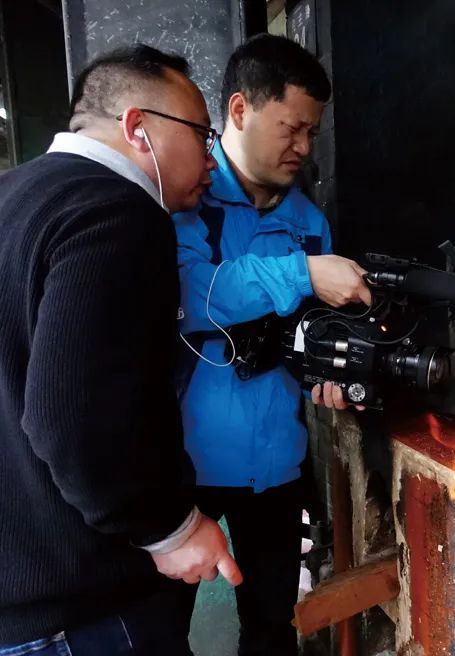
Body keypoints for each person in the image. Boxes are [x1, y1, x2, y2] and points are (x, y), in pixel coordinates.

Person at [0, 45, 240, 656]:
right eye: (201, 132)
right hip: (79, 613)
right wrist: (172, 531)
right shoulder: (117, 211)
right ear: (138, 127)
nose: (212, 155)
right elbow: (72, 417)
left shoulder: (12, 195)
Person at [172, 34, 370, 655]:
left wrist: (326, 377)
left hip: (276, 466)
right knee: (158, 628)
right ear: (239, 110)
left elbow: (309, 334)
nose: (304, 148)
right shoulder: (186, 201)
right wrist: (303, 273)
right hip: (182, 470)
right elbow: (192, 294)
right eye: (292, 128)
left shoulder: (309, 222)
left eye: (313, 132)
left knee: (271, 627)